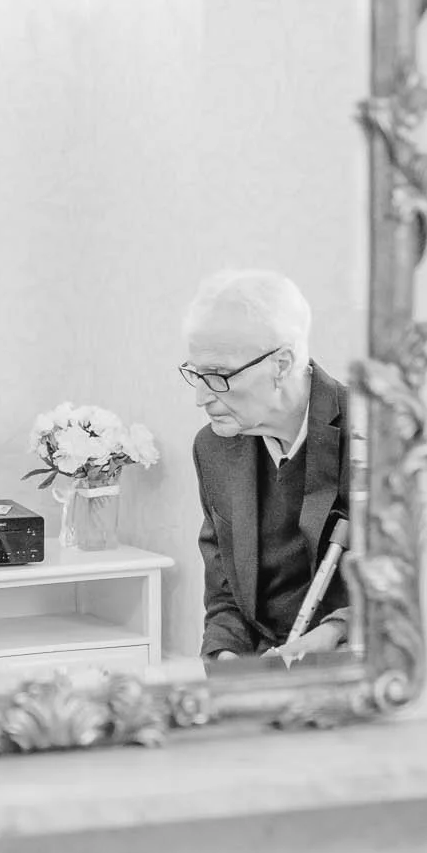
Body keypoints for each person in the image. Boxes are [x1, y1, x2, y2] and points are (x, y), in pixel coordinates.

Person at [183, 268, 351, 666]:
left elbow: (406, 588)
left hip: (351, 671)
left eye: (218, 376)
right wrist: (226, 661)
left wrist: (334, 632)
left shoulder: (372, 435)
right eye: (195, 374)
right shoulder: (213, 449)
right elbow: (225, 595)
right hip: (263, 673)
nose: (201, 397)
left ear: (281, 364)